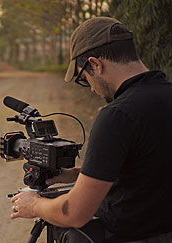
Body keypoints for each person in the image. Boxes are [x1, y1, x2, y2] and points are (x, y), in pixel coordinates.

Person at [9, 17, 172, 242]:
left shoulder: (117, 116)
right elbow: (148, 167)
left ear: (95, 64)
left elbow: (75, 213)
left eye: (84, 79)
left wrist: (34, 205)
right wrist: (78, 174)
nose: (91, 90)